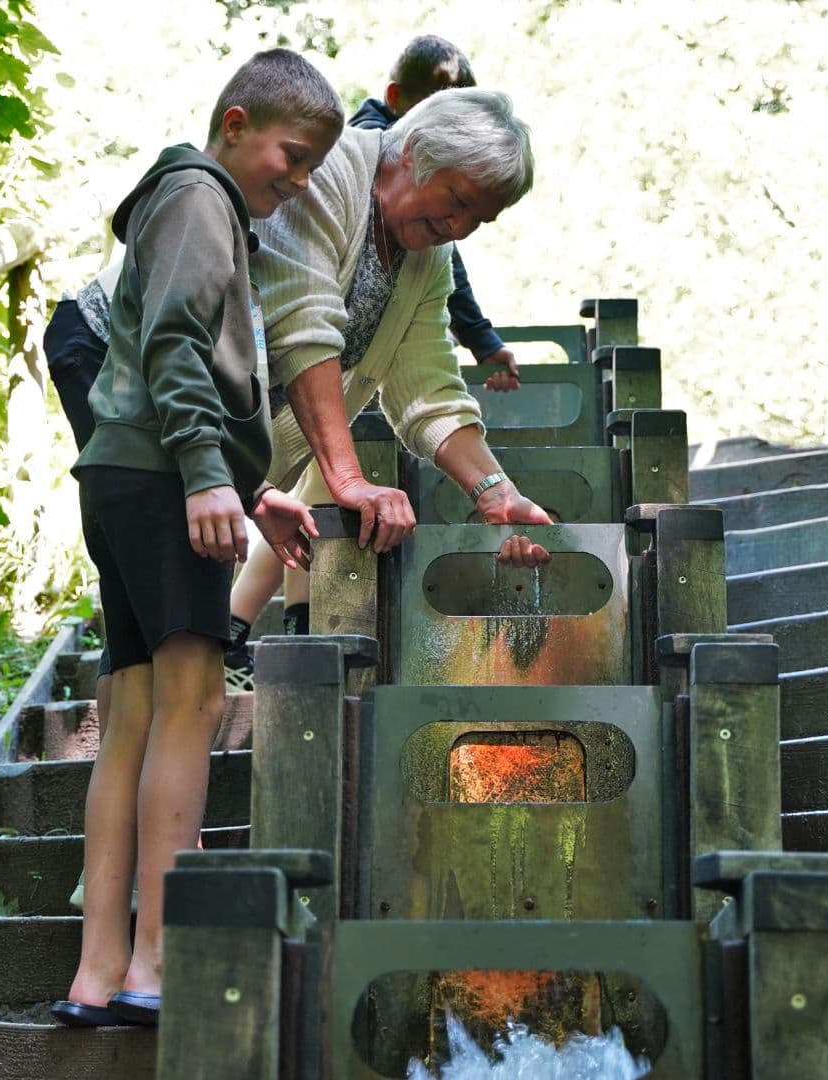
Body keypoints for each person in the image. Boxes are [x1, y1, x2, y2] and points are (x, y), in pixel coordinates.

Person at [48, 48, 343, 1030]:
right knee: (195, 699)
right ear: (235, 122)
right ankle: (155, 961)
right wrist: (211, 475)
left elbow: (175, 361)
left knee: (131, 710)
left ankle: (97, 974)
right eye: (291, 155)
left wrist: (253, 491)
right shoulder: (198, 195)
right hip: (160, 473)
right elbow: (174, 343)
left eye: (311, 169)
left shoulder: (191, 201)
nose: (296, 181)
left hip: (128, 472)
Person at [239, 87, 551, 650]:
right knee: (160, 655)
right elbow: (301, 332)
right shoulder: (330, 174)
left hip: (236, 461)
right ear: (415, 153)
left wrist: (496, 492)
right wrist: (348, 481)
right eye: (456, 199)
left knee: (167, 662)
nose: (458, 227)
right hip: (169, 415)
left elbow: (428, 389)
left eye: (480, 219)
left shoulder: (429, 258)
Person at [350, 35, 521, 392]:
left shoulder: (433, 236)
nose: (456, 229)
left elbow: (438, 258)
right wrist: (479, 335)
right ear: (395, 98)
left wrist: (480, 338)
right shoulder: (363, 154)